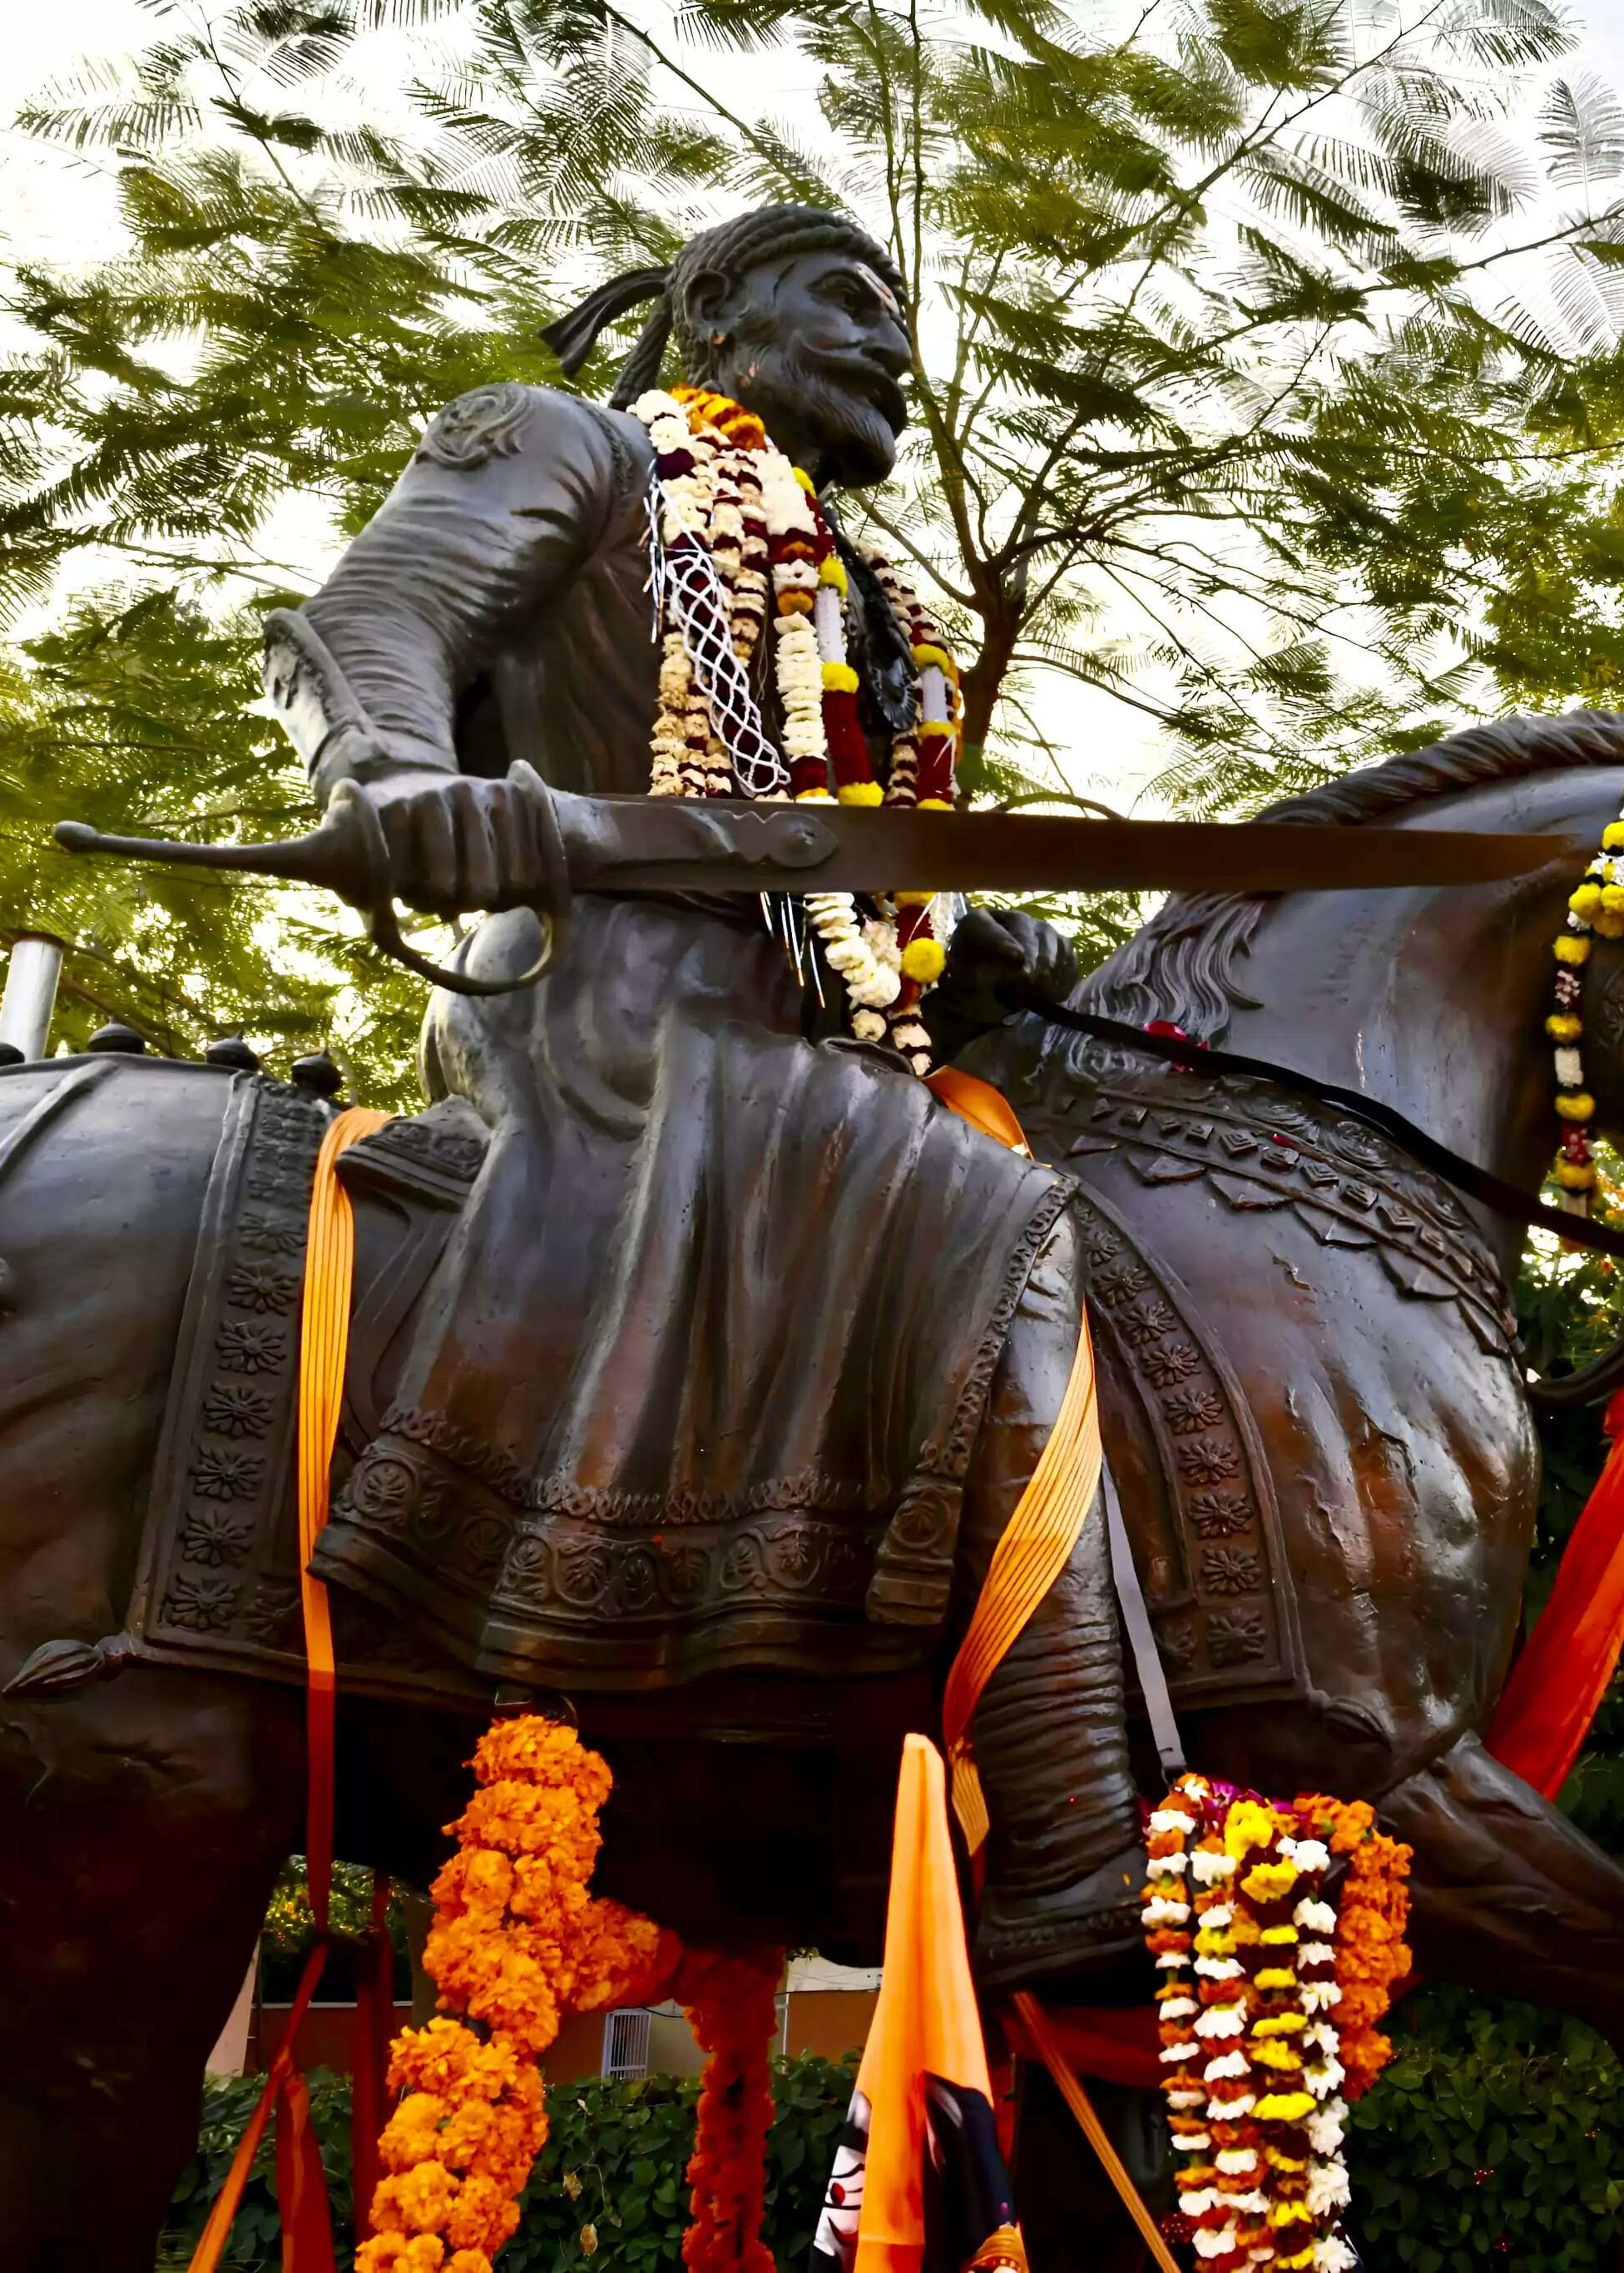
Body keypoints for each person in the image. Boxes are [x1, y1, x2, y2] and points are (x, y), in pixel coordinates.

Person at [263, 202, 1137, 1981]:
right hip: (614, 1011)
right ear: (718, 311)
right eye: (850, 301)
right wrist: (401, 778)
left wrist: (953, 944)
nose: (892, 347)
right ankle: (1071, 1828)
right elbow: (363, 622)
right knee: (1000, 1224)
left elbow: (831, 864)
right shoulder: (575, 448)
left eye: (904, 321)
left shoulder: (861, 588)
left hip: (809, 1039)